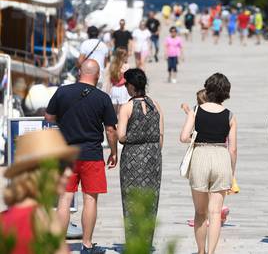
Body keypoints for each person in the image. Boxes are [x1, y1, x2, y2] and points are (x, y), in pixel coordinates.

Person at [45, 59, 118, 254]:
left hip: (66, 154)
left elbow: (49, 117)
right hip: (92, 154)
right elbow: (110, 130)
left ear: (79, 72)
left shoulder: (62, 92)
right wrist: (113, 152)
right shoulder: (103, 98)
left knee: (64, 199)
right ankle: (86, 244)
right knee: (90, 200)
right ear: (98, 74)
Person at [180, 73, 237, 254]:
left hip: (200, 156)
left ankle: (201, 251)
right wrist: (232, 172)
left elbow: (183, 137)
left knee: (200, 212)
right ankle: (211, 252)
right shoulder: (230, 116)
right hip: (221, 157)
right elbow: (233, 149)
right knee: (215, 213)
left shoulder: (196, 110)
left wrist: (195, 136)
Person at [1, 129, 79, 254]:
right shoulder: (45, 222)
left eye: (70, 165)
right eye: (62, 165)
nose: (69, 172)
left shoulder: (3, 221)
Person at [117, 68, 164, 240]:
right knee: (150, 199)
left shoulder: (127, 107)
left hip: (132, 157)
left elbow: (121, 136)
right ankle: (146, 239)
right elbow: (160, 137)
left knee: (130, 198)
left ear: (130, 86)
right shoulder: (156, 105)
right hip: (153, 156)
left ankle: (133, 240)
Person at [108, 48, 130, 114]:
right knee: (121, 112)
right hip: (123, 89)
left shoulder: (112, 66)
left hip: (114, 89)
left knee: (113, 112)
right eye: (126, 55)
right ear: (123, 56)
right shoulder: (126, 66)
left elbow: (109, 81)